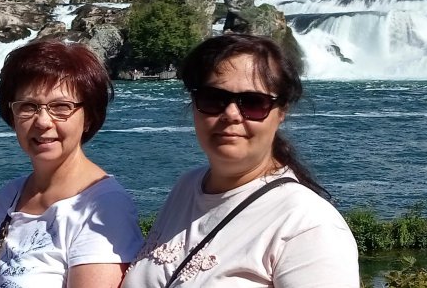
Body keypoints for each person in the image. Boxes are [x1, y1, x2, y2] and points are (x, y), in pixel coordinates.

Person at [122, 33, 359, 287]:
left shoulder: (308, 225)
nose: (231, 114)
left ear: (281, 112)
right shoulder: (187, 187)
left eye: (254, 103)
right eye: (213, 98)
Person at [0, 40, 142, 288]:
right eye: (28, 106)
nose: (43, 121)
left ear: (88, 117)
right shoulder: (11, 195)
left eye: (61, 107)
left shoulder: (104, 209)